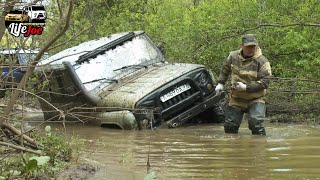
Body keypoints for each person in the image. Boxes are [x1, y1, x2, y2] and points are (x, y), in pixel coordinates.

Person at [215, 34, 272, 135]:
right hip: (237, 98)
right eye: (248, 46)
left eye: (253, 46)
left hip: (256, 98)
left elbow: (265, 82)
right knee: (230, 127)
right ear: (241, 46)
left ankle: (259, 147)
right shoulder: (233, 56)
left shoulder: (262, 61)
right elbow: (225, 70)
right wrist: (220, 83)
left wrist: (246, 87)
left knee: (256, 124)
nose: (251, 49)